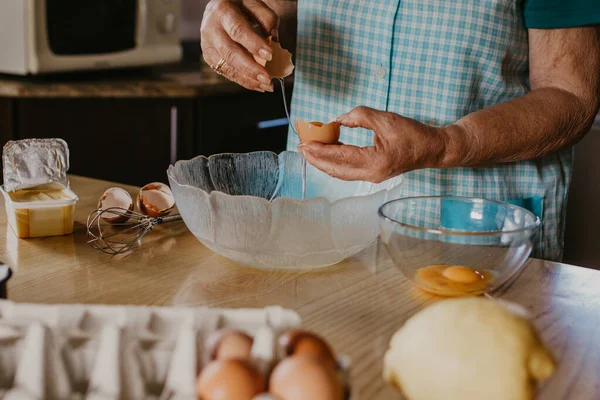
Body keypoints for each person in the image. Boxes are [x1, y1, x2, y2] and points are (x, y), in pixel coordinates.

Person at [200, 0, 600, 261]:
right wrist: (229, 23)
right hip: (319, 228)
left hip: (473, 237)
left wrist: (448, 144)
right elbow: (271, 17)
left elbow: (571, 94)